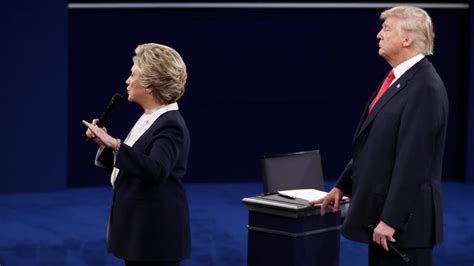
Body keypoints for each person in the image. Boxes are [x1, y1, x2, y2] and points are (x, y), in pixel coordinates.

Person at [310, 6, 448, 266]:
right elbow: (374, 144)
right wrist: (342, 186)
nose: (378, 35)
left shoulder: (425, 87)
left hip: (403, 228)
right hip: (383, 219)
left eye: (386, 29)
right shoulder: (399, 80)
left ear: (407, 39)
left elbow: (413, 161)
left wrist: (391, 220)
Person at [83, 43, 191, 266]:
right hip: (141, 234)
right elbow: (136, 164)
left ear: (149, 84)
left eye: (132, 74)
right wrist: (104, 146)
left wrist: (114, 143)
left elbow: (156, 169)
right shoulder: (150, 117)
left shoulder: (170, 124)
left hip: (155, 239)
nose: (127, 81)